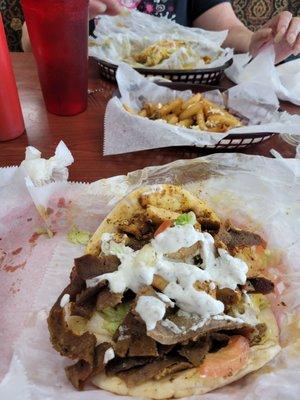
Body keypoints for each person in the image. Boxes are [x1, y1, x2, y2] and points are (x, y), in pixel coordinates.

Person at [23, 0, 300, 64]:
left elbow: (228, 30)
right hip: (85, 104)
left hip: (176, 98)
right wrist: (59, 11)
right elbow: (27, 41)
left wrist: (257, 41)